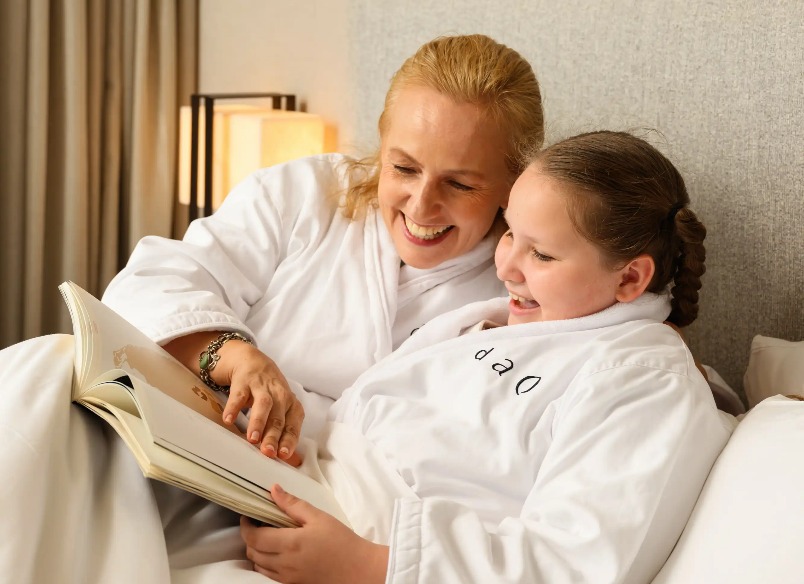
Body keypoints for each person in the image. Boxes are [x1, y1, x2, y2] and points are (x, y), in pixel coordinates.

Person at [238, 131, 735, 584]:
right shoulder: (504, 320)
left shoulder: (645, 381)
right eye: (510, 232)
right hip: (303, 492)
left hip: (373, 555)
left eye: (541, 255)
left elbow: (572, 562)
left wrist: (368, 567)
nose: (506, 266)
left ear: (629, 278)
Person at [101, 33, 545, 459]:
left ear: (515, 183)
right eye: (404, 168)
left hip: (334, 498)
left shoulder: (527, 288)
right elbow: (152, 282)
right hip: (191, 432)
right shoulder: (307, 192)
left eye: (460, 183)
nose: (423, 205)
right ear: (383, 141)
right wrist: (235, 357)